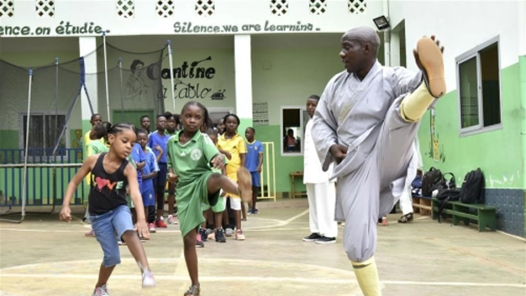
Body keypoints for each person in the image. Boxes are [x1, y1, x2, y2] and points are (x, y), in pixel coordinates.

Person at [311, 27, 445, 296]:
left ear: (367, 49)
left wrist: (421, 75)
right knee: (356, 243)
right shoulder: (335, 84)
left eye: (347, 47)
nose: (341, 53)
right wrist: (330, 146)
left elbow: (408, 84)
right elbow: (321, 122)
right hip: (354, 164)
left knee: (398, 113)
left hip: (387, 150)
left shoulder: (391, 76)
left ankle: (429, 86)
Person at [59, 122, 156, 295]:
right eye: (125, 141)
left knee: (128, 230)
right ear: (111, 138)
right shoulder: (93, 161)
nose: (129, 147)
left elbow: (135, 194)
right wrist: (66, 205)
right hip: (98, 217)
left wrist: (141, 219)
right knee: (112, 257)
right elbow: (74, 182)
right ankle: (100, 286)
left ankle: (146, 271)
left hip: (119, 208)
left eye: (132, 144)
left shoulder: (128, 168)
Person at [166, 101, 251, 296]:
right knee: (188, 240)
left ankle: (241, 191)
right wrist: (171, 174)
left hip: (202, 180)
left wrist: (220, 159)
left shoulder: (203, 139)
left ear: (203, 121)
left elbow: (217, 158)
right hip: (185, 190)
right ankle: (195, 285)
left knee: (216, 177)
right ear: (181, 117)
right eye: (188, 116)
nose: (192, 120)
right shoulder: (171, 142)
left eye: (197, 117)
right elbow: (171, 165)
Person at [303, 94, 338, 244]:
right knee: (314, 201)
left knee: (326, 202)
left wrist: (328, 167)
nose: (310, 107)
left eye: (313, 105)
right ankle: (316, 230)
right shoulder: (309, 123)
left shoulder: (327, 122)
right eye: (308, 105)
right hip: (311, 169)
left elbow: (333, 144)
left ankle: (329, 233)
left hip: (324, 170)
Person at [216, 113, 249, 240]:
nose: (231, 124)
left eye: (234, 123)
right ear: (224, 124)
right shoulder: (220, 139)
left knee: (236, 203)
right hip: (222, 175)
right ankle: (226, 226)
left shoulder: (240, 139)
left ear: (237, 125)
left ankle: (239, 229)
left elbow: (243, 157)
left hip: (235, 175)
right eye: (229, 122)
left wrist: (242, 173)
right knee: (222, 203)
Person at [84, 124, 109, 237]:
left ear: (93, 133)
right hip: (104, 176)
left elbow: (91, 159)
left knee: (94, 203)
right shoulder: (104, 146)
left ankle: (96, 229)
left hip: (95, 178)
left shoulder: (91, 144)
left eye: (92, 130)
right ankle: (97, 228)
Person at [148, 115, 170, 228]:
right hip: (153, 166)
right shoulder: (151, 136)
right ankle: (150, 219)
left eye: (164, 121)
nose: (162, 123)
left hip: (163, 166)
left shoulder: (168, 138)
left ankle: (159, 218)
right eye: (160, 121)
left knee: (161, 191)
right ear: (156, 124)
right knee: (153, 191)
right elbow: (147, 151)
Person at [138, 128, 159, 233]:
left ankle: (145, 226)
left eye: (144, 139)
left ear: (147, 140)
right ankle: (137, 225)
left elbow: (155, 171)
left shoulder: (151, 154)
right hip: (136, 184)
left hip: (147, 184)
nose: (142, 141)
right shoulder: (133, 154)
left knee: (146, 205)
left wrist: (144, 177)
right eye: (139, 139)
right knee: (137, 205)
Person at [164, 111, 179, 225]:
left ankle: (170, 214)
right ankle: (157, 215)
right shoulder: (159, 134)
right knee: (158, 191)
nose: (171, 124)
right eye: (169, 121)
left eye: (173, 122)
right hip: (160, 166)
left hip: (174, 166)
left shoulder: (179, 135)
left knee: (172, 191)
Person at [244, 127, 264, 215]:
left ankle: (254, 207)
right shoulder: (244, 144)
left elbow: (261, 156)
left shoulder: (259, 144)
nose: (247, 134)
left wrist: (259, 165)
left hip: (255, 170)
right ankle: (249, 208)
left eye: (248, 133)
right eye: (246, 133)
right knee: (248, 189)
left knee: (255, 189)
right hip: (247, 170)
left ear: (253, 133)